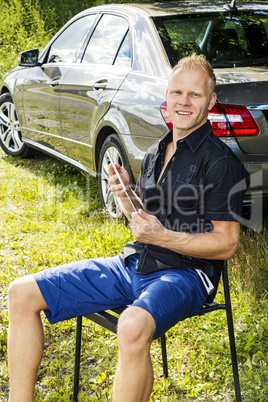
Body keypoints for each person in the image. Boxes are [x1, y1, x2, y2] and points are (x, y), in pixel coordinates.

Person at [7, 54, 249, 402]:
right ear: (166, 96)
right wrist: (126, 195)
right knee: (20, 293)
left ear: (210, 102)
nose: (184, 101)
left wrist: (162, 236)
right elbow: (146, 220)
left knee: (132, 326)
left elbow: (226, 245)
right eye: (177, 92)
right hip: (135, 262)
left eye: (195, 95)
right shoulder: (157, 150)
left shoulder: (222, 163)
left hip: (187, 274)